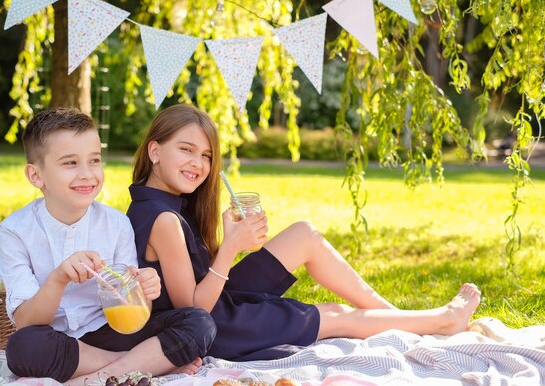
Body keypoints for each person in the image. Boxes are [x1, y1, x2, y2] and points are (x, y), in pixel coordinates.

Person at [126, 104, 482, 361]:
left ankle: (404, 320)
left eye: (206, 155)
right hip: (217, 327)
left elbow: (195, 276)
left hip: (218, 299)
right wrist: (232, 246)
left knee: (303, 234)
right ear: (155, 150)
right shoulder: (163, 219)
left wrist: (230, 240)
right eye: (186, 150)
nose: (198, 164)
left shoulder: (164, 203)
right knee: (335, 315)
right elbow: (194, 310)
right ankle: (442, 320)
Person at [0, 107, 216, 386]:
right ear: (36, 176)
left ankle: (96, 379)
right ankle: (139, 364)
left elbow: (133, 315)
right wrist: (58, 278)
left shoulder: (116, 224)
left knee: (200, 323)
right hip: (59, 341)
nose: (87, 174)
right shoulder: (15, 230)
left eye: (94, 160)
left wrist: (143, 292)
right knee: (22, 347)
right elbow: (26, 320)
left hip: (109, 331)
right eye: (70, 163)